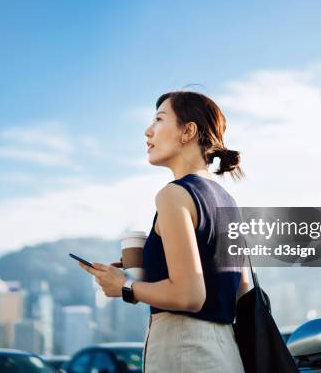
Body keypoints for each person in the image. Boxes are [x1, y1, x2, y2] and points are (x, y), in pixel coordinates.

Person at [80, 90, 250, 372]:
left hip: (185, 352)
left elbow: (189, 296)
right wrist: (156, 265)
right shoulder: (227, 201)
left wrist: (124, 286)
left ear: (188, 131)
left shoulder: (174, 195)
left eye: (159, 120)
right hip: (227, 354)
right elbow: (238, 290)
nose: (148, 132)